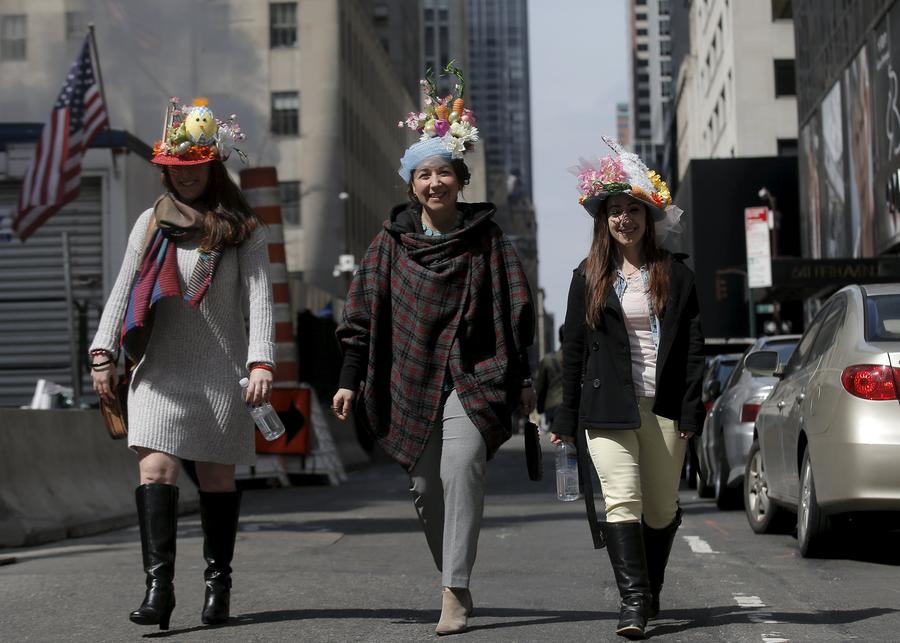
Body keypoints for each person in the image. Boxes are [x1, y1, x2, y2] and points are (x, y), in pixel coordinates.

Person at [332, 66, 536, 635]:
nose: (434, 183)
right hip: (411, 378)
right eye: (424, 174)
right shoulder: (388, 245)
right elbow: (361, 316)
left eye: (443, 172)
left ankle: (455, 589)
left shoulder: (488, 241)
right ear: (411, 184)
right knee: (425, 488)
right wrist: (350, 377)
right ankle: (452, 570)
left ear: (460, 179)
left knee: (461, 467)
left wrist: (521, 379)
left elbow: (515, 311)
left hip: (474, 378)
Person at [89, 98, 273, 631]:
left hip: (220, 371)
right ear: (165, 168)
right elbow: (125, 286)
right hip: (160, 371)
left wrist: (261, 362)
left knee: (216, 480)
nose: (184, 176)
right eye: (175, 167)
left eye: (193, 166)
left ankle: (219, 587)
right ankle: (158, 590)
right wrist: (103, 351)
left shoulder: (243, 228)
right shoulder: (151, 221)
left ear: (211, 165)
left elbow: (259, 300)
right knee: (156, 469)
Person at [550, 138, 704, 640]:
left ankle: (651, 586)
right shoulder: (587, 276)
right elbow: (573, 349)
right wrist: (564, 418)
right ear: (603, 220)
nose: (624, 220)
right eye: (614, 211)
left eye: (632, 210)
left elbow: (693, 349)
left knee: (660, 508)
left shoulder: (676, 274)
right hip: (606, 405)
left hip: (662, 405)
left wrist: (689, 409)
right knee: (624, 499)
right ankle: (633, 604)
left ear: (648, 215)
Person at [533, 326, 565, 428]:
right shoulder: (580, 357)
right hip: (575, 403)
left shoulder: (547, 360)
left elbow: (539, 386)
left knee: (557, 437)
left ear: (559, 338)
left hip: (553, 404)